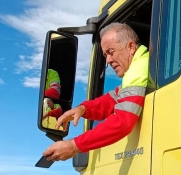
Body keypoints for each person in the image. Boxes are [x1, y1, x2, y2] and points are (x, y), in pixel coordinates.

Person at [43, 22, 149, 162]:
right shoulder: (142, 64)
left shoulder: (138, 70)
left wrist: (74, 145)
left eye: (111, 52)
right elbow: (113, 98)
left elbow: (122, 122)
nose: (109, 60)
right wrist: (83, 109)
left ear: (131, 47)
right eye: (105, 56)